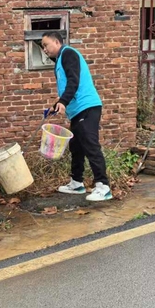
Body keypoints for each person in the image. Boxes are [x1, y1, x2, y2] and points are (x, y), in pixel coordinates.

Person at [40, 31, 112, 202]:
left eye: (45, 45)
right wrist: (56, 104)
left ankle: (103, 186)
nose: (44, 49)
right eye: (42, 47)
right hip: (78, 110)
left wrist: (63, 102)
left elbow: (74, 81)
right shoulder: (59, 60)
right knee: (76, 146)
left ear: (56, 42)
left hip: (87, 107)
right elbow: (68, 86)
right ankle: (77, 183)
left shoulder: (68, 54)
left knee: (90, 145)